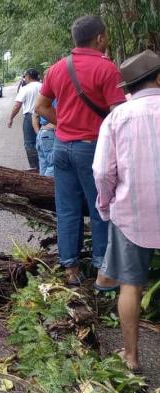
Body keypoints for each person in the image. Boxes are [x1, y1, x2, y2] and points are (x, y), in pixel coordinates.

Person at [34, 15, 127, 286]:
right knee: (101, 208)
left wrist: (66, 123)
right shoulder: (107, 69)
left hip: (62, 147)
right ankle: (102, 271)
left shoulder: (58, 67)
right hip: (92, 148)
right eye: (106, 36)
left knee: (67, 210)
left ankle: (70, 270)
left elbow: (40, 107)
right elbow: (117, 116)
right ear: (99, 38)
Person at [92, 50, 160, 374]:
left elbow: (103, 173)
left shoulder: (117, 118)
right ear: (159, 78)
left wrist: (105, 205)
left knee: (130, 284)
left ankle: (131, 358)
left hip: (133, 214)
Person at [7, 69, 42, 171]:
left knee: (30, 143)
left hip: (30, 117)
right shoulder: (44, 86)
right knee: (43, 140)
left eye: (25, 76)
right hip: (45, 117)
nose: (24, 78)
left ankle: (35, 167)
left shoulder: (26, 89)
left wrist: (11, 118)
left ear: (28, 76)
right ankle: (43, 165)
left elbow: (17, 105)